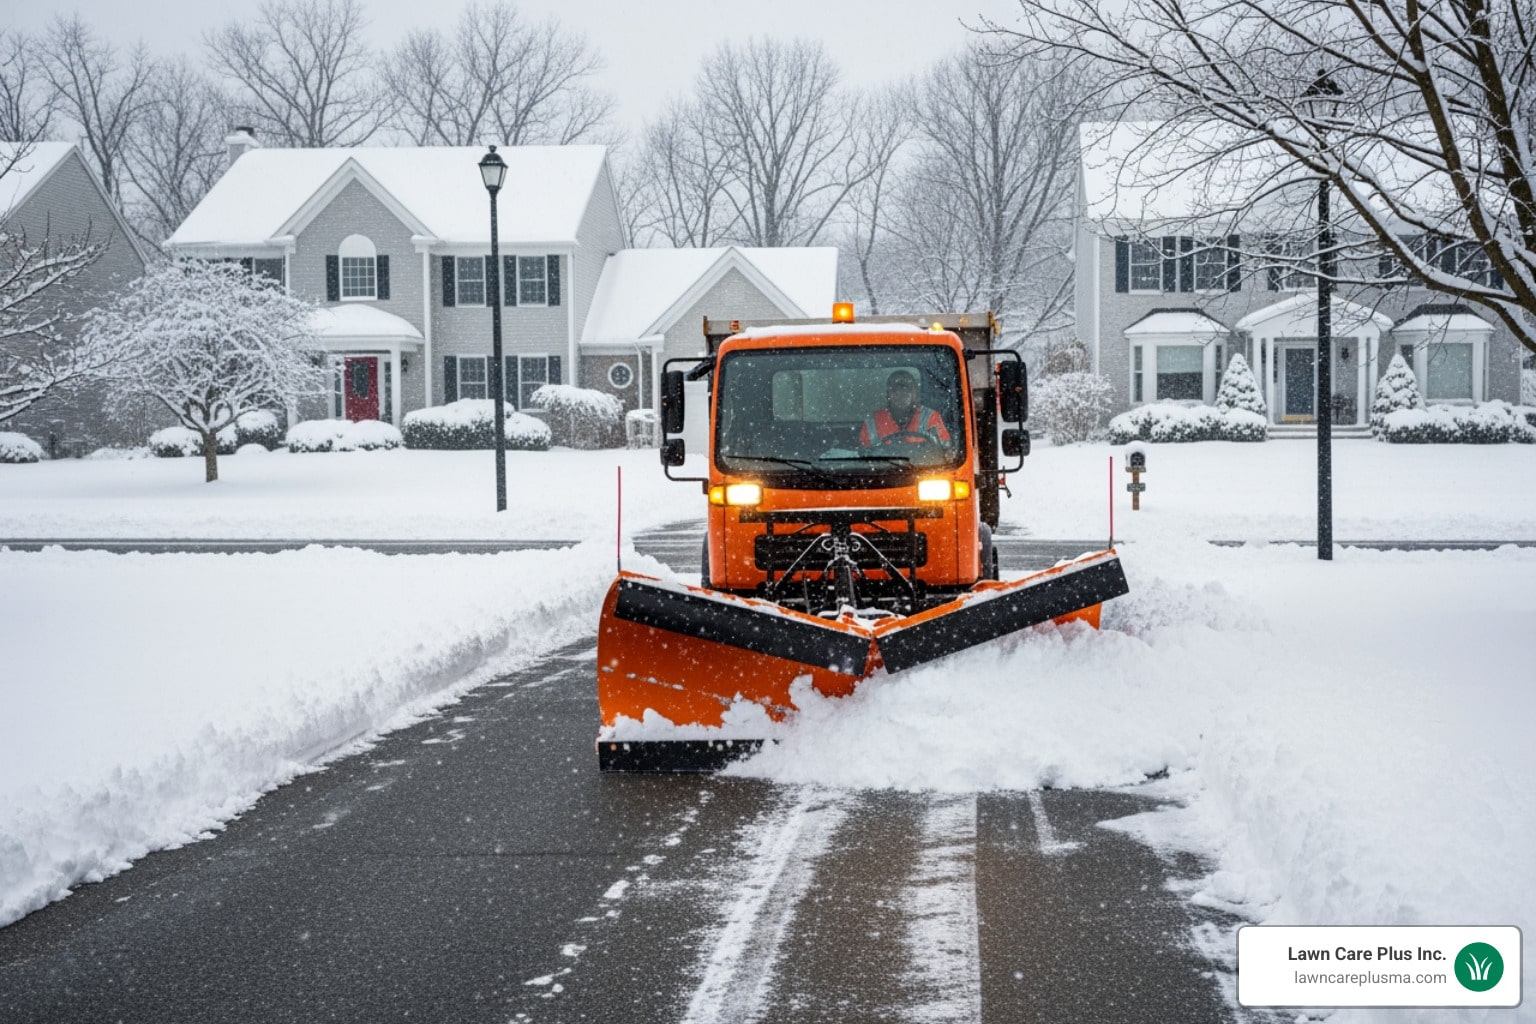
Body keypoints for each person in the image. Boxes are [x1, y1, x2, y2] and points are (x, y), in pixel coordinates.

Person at [859, 370, 951, 447]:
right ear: (888, 394)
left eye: (906, 389)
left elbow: (946, 453)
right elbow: (863, 456)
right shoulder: (872, 423)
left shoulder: (931, 418)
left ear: (915, 393)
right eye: (895, 390)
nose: (901, 394)